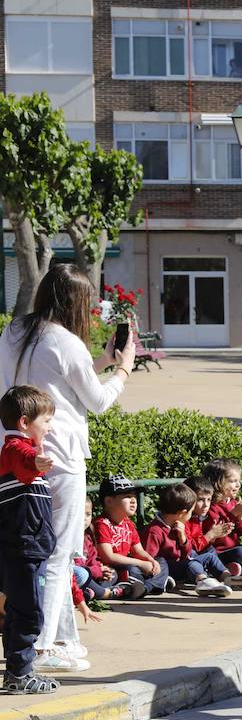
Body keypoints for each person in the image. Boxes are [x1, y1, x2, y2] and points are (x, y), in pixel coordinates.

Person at [0, 264, 135, 674]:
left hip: (14, 453)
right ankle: (42, 645)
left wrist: (100, 362)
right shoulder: (66, 341)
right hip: (60, 456)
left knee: (29, 552)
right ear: (77, 302)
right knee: (57, 552)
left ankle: (53, 638)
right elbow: (95, 402)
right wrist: (123, 369)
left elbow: (48, 387)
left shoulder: (15, 333)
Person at [1, 385, 60, 693]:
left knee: (18, 608)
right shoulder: (17, 449)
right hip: (25, 545)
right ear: (25, 423)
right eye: (46, 421)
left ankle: (17, 669)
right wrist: (38, 463)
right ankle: (20, 673)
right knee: (29, 610)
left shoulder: (17, 449)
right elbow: (25, 462)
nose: (49, 428)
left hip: (27, 543)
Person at [142, 483, 234, 597]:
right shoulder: (155, 531)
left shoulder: (179, 525)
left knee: (209, 557)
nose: (191, 516)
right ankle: (203, 581)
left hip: (181, 563)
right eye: (191, 512)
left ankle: (228, 578)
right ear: (182, 513)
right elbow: (149, 557)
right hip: (168, 569)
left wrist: (183, 540)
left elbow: (187, 553)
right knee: (191, 564)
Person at [95, 476, 170, 602]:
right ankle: (150, 584)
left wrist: (151, 561)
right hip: (110, 568)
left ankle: (144, 587)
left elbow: (138, 551)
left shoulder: (128, 524)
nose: (133, 501)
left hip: (128, 566)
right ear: (109, 501)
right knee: (125, 571)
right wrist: (141, 563)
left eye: (134, 496)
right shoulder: (101, 524)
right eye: (127, 496)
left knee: (161, 562)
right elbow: (108, 557)